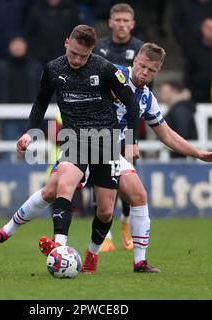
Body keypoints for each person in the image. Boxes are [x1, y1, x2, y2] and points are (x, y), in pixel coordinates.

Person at [0, 42, 212, 274]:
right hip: (83, 140)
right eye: (141, 66)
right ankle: (6, 232)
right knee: (52, 190)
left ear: (157, 71)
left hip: (109, 151)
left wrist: (199, 153)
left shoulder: (147, 98)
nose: (144, 72)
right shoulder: (112, 73)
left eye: (151, 70)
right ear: (135, 60)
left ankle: (131, 261)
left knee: (125, 202)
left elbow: (167, 134)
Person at [93, 2, 144, 252]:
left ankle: (125, 224)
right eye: (118, 20)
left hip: (128, 124)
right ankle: (106, 236)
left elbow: (144, 85)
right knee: (102, 178)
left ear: (132, 24)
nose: (122, 24)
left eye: (126, 21)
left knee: (127, 177)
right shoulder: (100, 48)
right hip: (101, 123)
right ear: (111, 22)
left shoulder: (139, 50)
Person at [158, 80, 198, 159]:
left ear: (175, 91)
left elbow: (182, 134)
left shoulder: (180, 109)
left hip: (180, 158)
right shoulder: (178, 108)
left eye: (164, 91)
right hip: (179, 154)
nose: (161, 95)